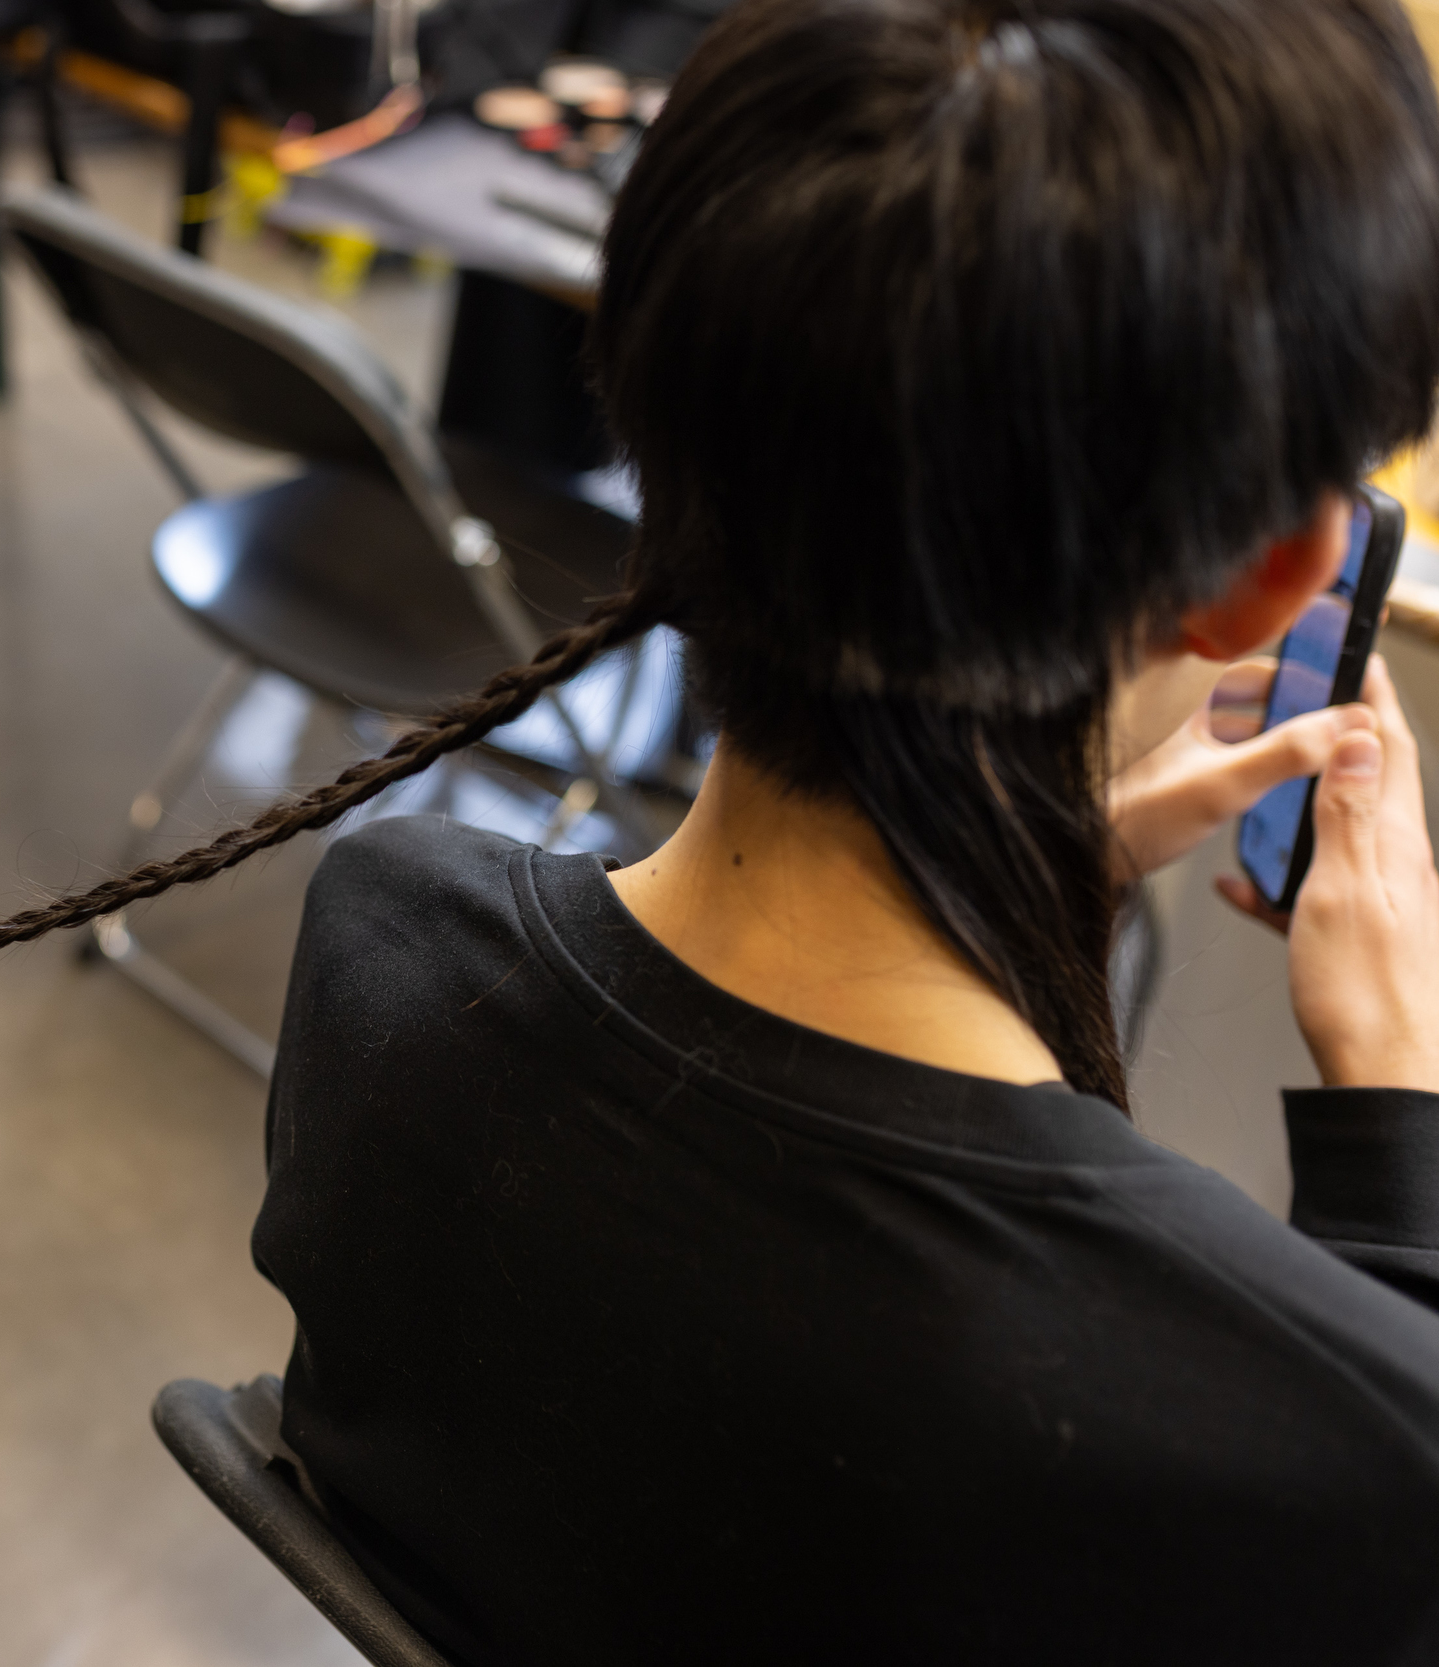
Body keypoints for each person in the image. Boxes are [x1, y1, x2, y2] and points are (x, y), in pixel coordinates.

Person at [240, 0, 1439, 1658]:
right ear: (1270, 581)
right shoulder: (1302, 1409)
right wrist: (1398, 1135)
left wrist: (1035, 883)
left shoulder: (381, 935)